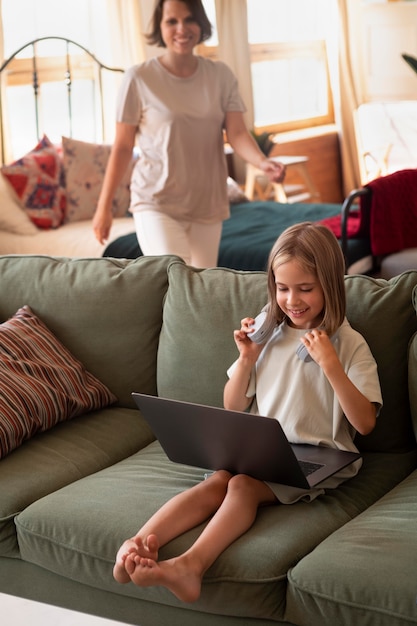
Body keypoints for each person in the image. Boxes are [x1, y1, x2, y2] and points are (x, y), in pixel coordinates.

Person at [112, 221, 382, 603]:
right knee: (218, 478)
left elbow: (365, 424)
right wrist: (245, 360)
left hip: (318, 456)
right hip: (262, 450)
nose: (292, 300)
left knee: (239, 485)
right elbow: (233, 405)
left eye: (305, 289)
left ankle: (192, 565)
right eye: (283, 288)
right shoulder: (268, 331)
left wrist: (332, 366)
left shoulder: (350, 344)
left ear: (331, 285)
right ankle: (138, 544)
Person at [92, 0, 285, 268]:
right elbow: (123, 146)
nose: (181, 28)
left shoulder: (220, 75)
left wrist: (262, 163)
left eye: (189, 19)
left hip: (208, 203)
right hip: (157, 201)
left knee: (201, 288)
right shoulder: (139, 78)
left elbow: (238, 133)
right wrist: (104, 208)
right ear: (160, 27)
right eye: (172, 21)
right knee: (176, 278)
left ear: (201, 24)